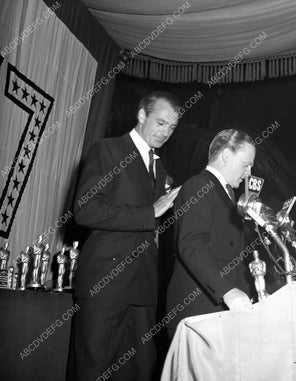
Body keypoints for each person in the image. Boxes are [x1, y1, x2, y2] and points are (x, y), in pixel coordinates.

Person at [72, 91, 181, 381]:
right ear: (142, 115)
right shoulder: (106, 150)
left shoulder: (159, 166)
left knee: (138, 370)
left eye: (171, 128)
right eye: (160, 122)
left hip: (143, 286)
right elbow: (85, 210)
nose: (165, 132)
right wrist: (150, 212)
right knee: (93, 370)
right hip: (104, 283)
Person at [166, 129, 256, 337]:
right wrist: (227, 291)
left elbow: (233, 258)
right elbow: (191, 245)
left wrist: (248, 298)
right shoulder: (199, 185)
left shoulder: (228, 195)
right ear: (226, 155)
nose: (248, 173)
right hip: (197, 310)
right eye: (246, 164)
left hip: (220, 312)